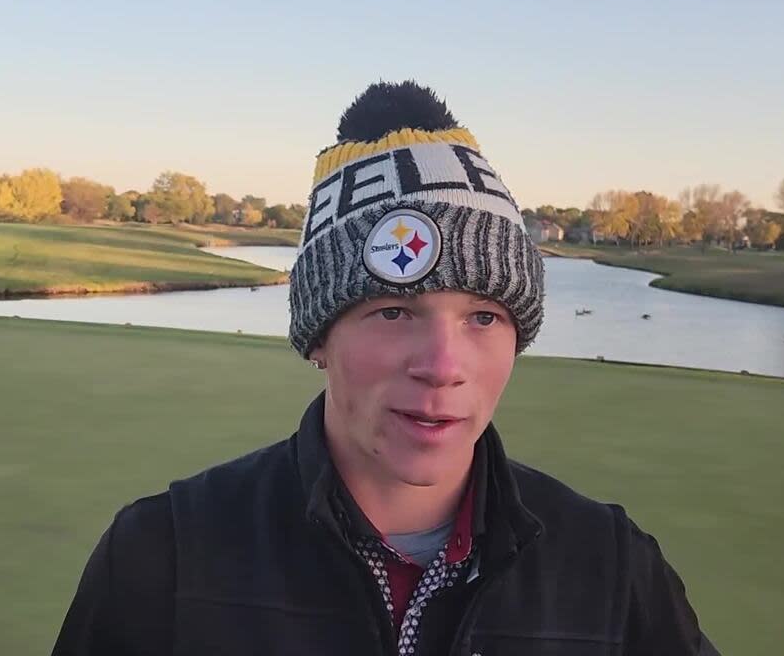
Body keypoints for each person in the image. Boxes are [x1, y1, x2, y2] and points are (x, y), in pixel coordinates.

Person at [51, 81, 717, 655]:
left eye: (484, 317)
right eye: (395, 312)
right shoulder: (161, 554)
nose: (443, 366)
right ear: (319, 336)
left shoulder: (612, 567)